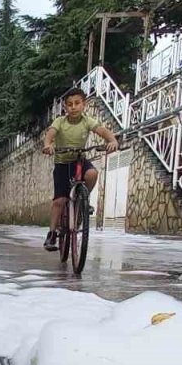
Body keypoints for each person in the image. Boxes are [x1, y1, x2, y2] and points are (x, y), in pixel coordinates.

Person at [41, 88, 119, 251]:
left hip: (79, 160)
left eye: (77, 103)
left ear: (84, 104)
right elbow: (50, 134)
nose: (73, 107)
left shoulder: (87, 121)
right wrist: (48, 145)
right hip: (62, 163)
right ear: (65, 107)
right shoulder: (60, 122)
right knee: (59, 201)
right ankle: (52, 234)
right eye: (69, 104)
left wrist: (112, 140)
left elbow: (103, 131)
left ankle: (83, 199)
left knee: (92, 174)